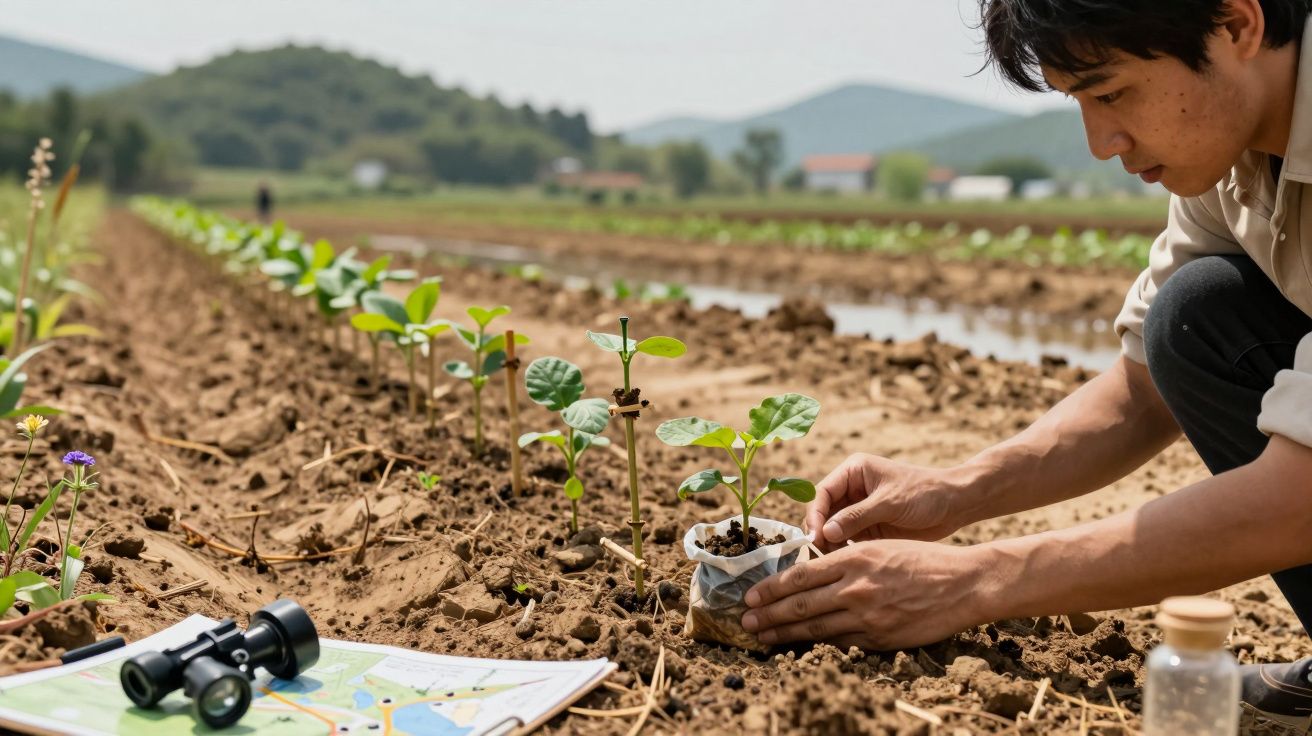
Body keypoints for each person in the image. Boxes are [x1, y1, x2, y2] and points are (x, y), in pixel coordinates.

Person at [740, 0, 1312, 729]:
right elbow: (1141, 395)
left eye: (1111, 93)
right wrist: (955, 490)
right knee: (1194, 316)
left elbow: (1303, 495)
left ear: (1236, 25)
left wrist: (975, 582)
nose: (1102, 141)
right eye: (1080, 101)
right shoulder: (1228, 158)